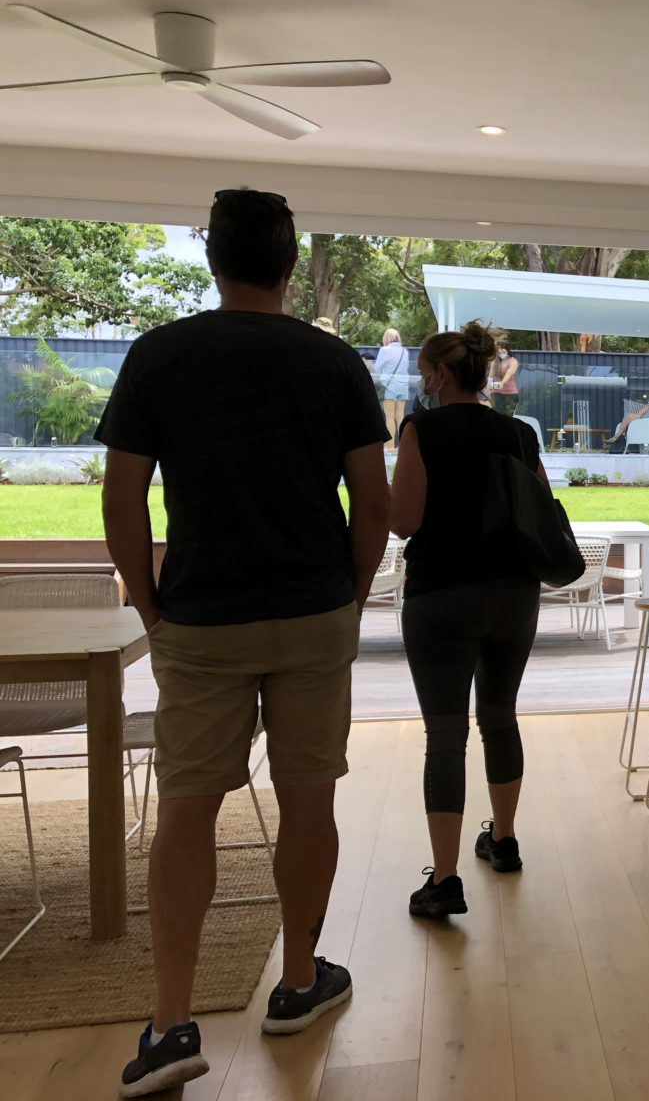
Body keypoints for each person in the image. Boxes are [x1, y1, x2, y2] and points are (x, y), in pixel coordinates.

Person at [99, 188, 389, 1098]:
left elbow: (122, 499)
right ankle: (299, 982)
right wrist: (345, 595)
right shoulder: (335, 363)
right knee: (309, 802)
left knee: (187, 812)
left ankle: (168, 1024)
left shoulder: (160, 357)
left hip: (199, 618)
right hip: (311, 614)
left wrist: (152, 608)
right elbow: (371, 505)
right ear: (290, 262)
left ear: (214, 258)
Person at [390, 321, 546, 919]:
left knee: (447, 735)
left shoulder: (421, 429)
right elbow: (540, 510)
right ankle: (503, 841)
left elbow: (403, 520)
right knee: (501, 718)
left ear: (442, 375)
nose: (422, 381)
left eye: (426, 372)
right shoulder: (517, 434)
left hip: (442, 598)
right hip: (513, 596)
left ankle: (446, 880)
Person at [373, 328, 411, 442]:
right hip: (403, 386)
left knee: (389, 417)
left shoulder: (385, 350)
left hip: (389, 387)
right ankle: (405, 445)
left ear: (386, 338)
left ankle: (390, 448)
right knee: (400, 416)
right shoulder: (405, 351)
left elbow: (377, 369)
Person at [488, 338, 519, 416]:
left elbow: (508, 375)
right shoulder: (494, 361)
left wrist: (501, 383)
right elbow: (490, 376)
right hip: (496, 393)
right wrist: (489, 386)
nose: (501, 354)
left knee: (508, 417)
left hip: (510, 393)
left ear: (508, 351)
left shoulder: (513, 361)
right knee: (496, 415)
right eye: (499, 352)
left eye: (503, 352)